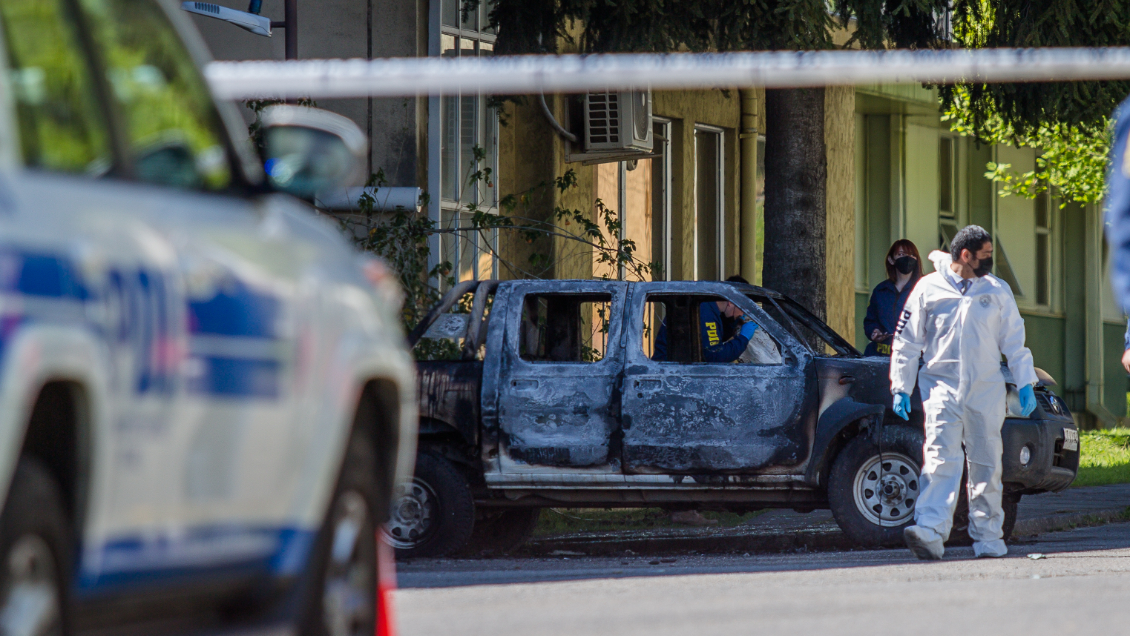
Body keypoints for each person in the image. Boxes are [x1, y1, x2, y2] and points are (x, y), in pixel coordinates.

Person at [889, 225, 1038, 560]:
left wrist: (1025, 381)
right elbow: (907, 342)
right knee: (940, 459)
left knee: (986, 464)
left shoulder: (997, 291)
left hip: (985, 391)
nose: (990, 261)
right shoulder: (928, 289)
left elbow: (1014, 342)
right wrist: (901, 386)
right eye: (984, 255)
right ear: (964, 255)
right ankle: (929, 530)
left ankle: (988, 537)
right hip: (940, 388)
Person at [652, 275, 759, 364]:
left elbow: (714, 337)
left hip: (673, 370)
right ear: (731, 301)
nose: (742, 314)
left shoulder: (707, 307)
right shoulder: (706, 314)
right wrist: (743, 339)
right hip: (670, 373)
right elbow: (715, 355)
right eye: (743, 308)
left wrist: (734, 322)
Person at [863, 239, 923, 356]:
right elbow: (870, 321)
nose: (907, 258)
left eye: (912, 255)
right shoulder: (880, 291)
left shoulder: (924, 289)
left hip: (914, 357)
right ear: (891, 260)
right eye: (901, 254)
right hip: (881, 355)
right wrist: (874, 332)